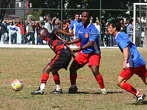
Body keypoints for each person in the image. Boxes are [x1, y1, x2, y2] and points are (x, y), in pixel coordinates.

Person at [62, 11, 107, 94]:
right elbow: (78, 38)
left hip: (93, 53)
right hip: (84, 53)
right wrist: (69, 43)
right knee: (72, 68)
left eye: (85, 17)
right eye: (82, 16)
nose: (83, 18)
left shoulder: (93, 29)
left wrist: (79, 49)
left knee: (94, 70)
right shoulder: (81, 27)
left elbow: (91, 43)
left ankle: (103, 89)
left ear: (89, 18)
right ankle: (73, 87)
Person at [107, 19, 147, 105]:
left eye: (109, 27)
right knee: (145, 79)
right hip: (138, 60)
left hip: (132, 62)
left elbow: (125, 48)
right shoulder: (122, 34)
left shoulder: (119, 36)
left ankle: (139, 94)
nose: (108, 29)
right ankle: (139, 95)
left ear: (114, 29)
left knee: (120, 82)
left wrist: (125, 62)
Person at [31, 28, 72, 95]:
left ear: (43, 32)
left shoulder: (49, 35)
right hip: (66, 54)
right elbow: (65, 45)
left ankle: (41, 89)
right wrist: (72, 55)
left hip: (62, 54)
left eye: (39, 34)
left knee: (46, 70)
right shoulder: (50, 39)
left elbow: (57, 30)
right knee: (53, 70)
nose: (38, 36)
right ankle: (58, 89)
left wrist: (68, 34)